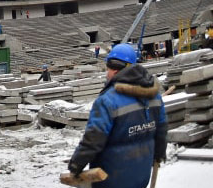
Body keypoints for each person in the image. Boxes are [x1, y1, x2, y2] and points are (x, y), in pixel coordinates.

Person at [68, 43, 167, 188]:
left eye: (108, 68)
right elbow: (162, 131)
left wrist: (76, 165)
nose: (107, 73)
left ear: (114, 69)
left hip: (111, 179)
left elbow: (93, 139)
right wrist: (159, 154)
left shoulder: (107, 101)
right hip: (141, 176)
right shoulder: (155, 96)